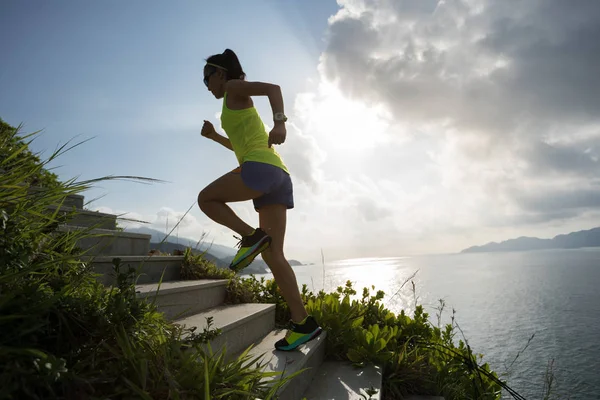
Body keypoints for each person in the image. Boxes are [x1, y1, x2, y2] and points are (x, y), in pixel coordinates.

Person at [197, 49, 322, 351]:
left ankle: (251, 236)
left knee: (206, 199)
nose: (206, 84)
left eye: (207, 77)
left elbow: (273, 89)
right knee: (274, 255)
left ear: (220, 74)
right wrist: (215, 137)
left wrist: (280, 123)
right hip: (277, 174)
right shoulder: (232, 103)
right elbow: (242, 146)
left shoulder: (232, 88)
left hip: (260, 169)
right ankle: (303, 323)